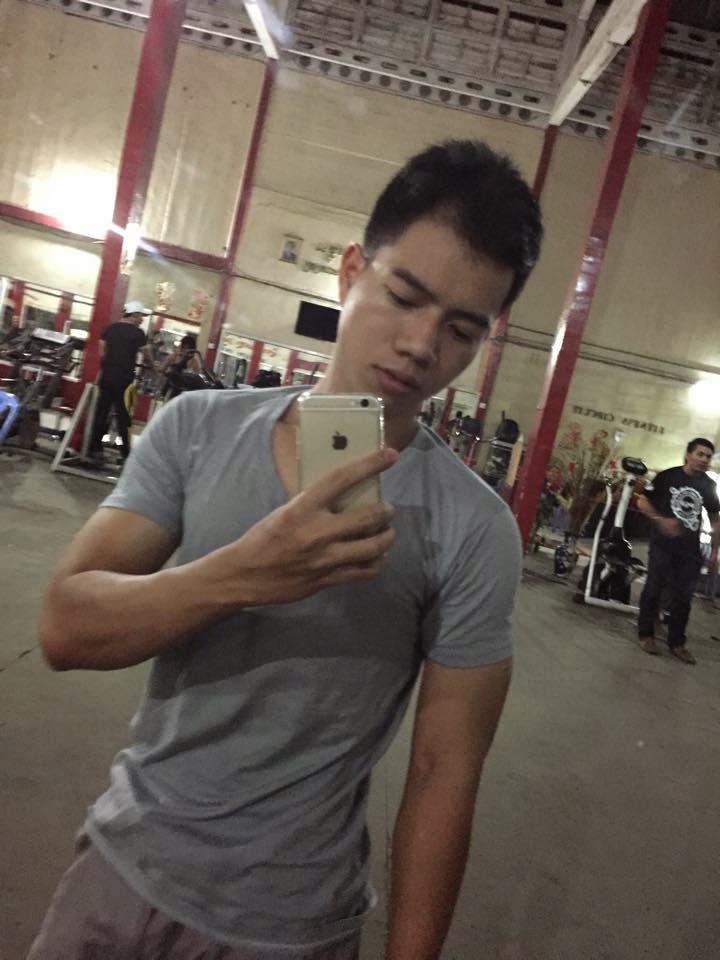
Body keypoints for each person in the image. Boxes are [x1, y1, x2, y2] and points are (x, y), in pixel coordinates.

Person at [32, 140, 543, 960]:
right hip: (121, 875)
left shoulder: (473, 527)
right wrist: (239, 575)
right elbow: (65, 628)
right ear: (351, 272)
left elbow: (444, 773)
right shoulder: (197, 430)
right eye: (403, 297)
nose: (421, 345)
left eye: (460, 330)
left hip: (291, 924)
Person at [636, 438, 720, 664]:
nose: (704, 459)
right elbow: (642, 501)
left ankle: (677, 642)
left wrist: (715, 551)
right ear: (688, 454)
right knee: (653, 587)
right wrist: (660, 520)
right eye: (700, 454)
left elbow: (715, 519)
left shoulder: (708, 486)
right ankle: (646, 634)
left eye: (708, 456)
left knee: (683, 596)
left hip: (690, 549)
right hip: (662, 544)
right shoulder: (668, 476)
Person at [88, 300, 156, 462]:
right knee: (123, 416)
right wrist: (154, 367)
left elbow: (102, 351)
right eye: (141, 316)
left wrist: (110, 362)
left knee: (101, 413)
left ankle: (95, 450)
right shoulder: (138, 333)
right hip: (124, 380)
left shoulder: (109, 329)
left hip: (106, 376)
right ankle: (126, 455)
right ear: (134, 315)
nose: (142, 320)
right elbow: (147, 354)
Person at [160, 333, 203, 400]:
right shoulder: (174, 356)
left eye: (187, 348)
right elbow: (162, 369)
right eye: (184, 347)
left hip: (183, 392)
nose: (184, 350)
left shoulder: (193, 361)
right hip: (172, 390)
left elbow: (198, 374)